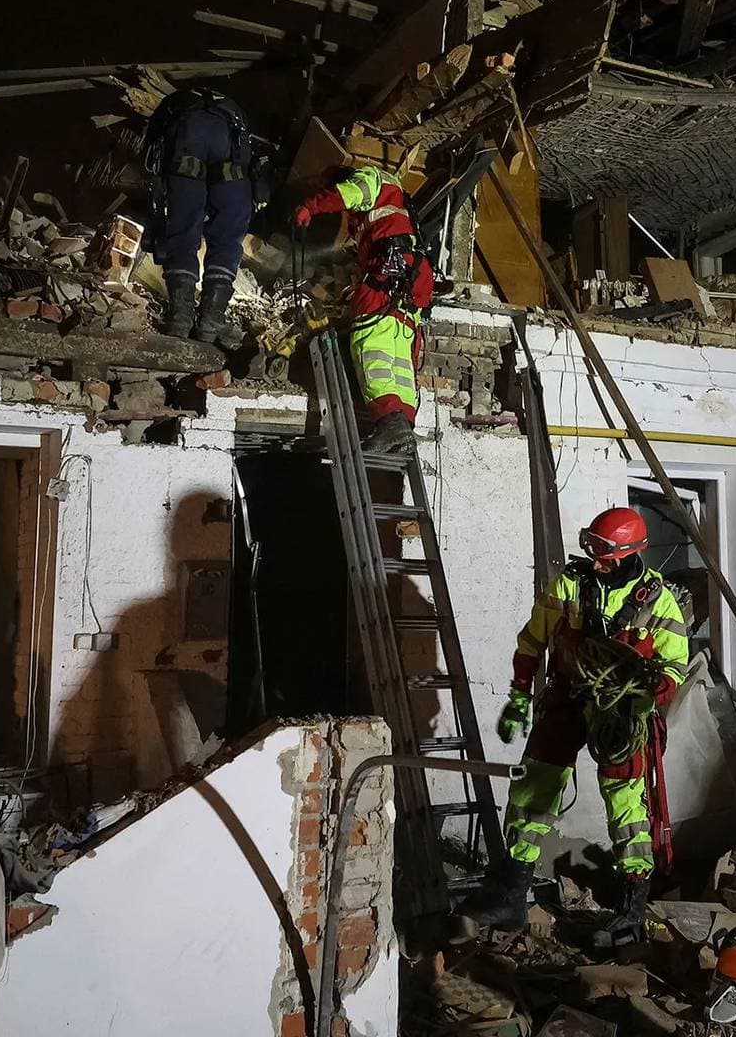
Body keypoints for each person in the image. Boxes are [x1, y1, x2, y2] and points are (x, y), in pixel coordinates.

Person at [459, 507, 694, 947]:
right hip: (567, 699)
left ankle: (631, 912)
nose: (596, 562)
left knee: (627, 806)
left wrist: (642, 698)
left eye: (605, 556)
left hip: (621, 716)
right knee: (532, 789)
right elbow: (532, 641)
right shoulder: (569, 585)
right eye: (593, 552)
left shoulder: (659, 601)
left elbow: (674, 667)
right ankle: (511, 895)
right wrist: (519, 696)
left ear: (629, 553)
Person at [294, 164, 433, 454]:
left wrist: (310, 207)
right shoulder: (395, 197)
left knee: (370, 340)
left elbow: (346, 194)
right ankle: (403, 425)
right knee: (398, 349)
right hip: (414, 274)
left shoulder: (369, 179)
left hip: (390, 269)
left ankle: (389, 422)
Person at [142, 87, 253, 346]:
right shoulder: (232, 112)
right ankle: (211, 320)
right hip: (232, 156)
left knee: (182, 232)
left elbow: (151, 159)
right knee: (227, 237)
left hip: (185, 151)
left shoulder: (172, 109)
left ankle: (180, 318)